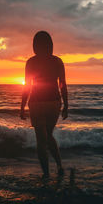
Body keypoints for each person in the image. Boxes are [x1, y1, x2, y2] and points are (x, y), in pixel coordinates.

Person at [20, 31, 68, 178]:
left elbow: (27, 85)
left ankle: (46, 174)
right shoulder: (57, 61)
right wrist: (66, 105)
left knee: (42, 139)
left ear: (35, 45)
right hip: (54, 102)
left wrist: (22, 106)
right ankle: (59, 166)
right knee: (48, 136)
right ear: (50, 44)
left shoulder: (31, 62)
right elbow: (62, 85)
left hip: (37, 103)